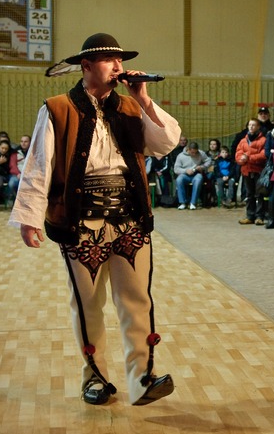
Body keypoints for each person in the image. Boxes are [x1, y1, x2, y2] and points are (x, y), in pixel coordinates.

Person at [9, 33, 180, 407]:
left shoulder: (131, 107)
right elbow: (39, 164)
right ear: (86, 66)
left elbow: (166, 143)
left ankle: (143, 379)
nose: (118, 67)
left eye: (120, 60)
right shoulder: (56, 109)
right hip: (80, 222)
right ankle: (95, 378)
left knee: (137, 301)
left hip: (130, 220)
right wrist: (29, 217)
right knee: (87, 305)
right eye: (109, 60)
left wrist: (144, 98)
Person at [236, 119, 268, 225]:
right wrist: (241, 159)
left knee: (259, 194)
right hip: (246, 171)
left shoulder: (263, 140)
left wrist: (248, 157)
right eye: (249, 125)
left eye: (253, 125)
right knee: (249, 194)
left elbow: (263, 155)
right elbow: (238, 154)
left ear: (258, 127)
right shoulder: (243, 141)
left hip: (258, 171)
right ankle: (250, 216)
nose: (251, 127)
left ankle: (259, 217)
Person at [173, 142, 211, 210]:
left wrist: (202, 167)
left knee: (198, 179)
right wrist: (185, 170)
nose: (194, 154)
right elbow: (176, 169)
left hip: (196, 173)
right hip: (185, 174)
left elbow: (208, 161)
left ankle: (193, 203)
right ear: (188, 149)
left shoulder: (201, 153)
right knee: (179, 180)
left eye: (195, 152)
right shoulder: (180, 156)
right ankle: (182, 203)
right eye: (192, 152)